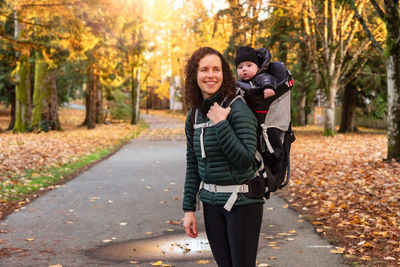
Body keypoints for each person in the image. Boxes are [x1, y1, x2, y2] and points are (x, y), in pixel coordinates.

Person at [182, 47, 265, 267]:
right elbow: (193, 164)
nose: (210, 75)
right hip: (211, 204)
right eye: (204, 70)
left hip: (242, 202)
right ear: (195, 75)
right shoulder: (194, 115)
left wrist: (221, 124)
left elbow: (246, 159)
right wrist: (189, 209)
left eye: (216, 69)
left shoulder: (238, 109)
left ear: (224, 74)